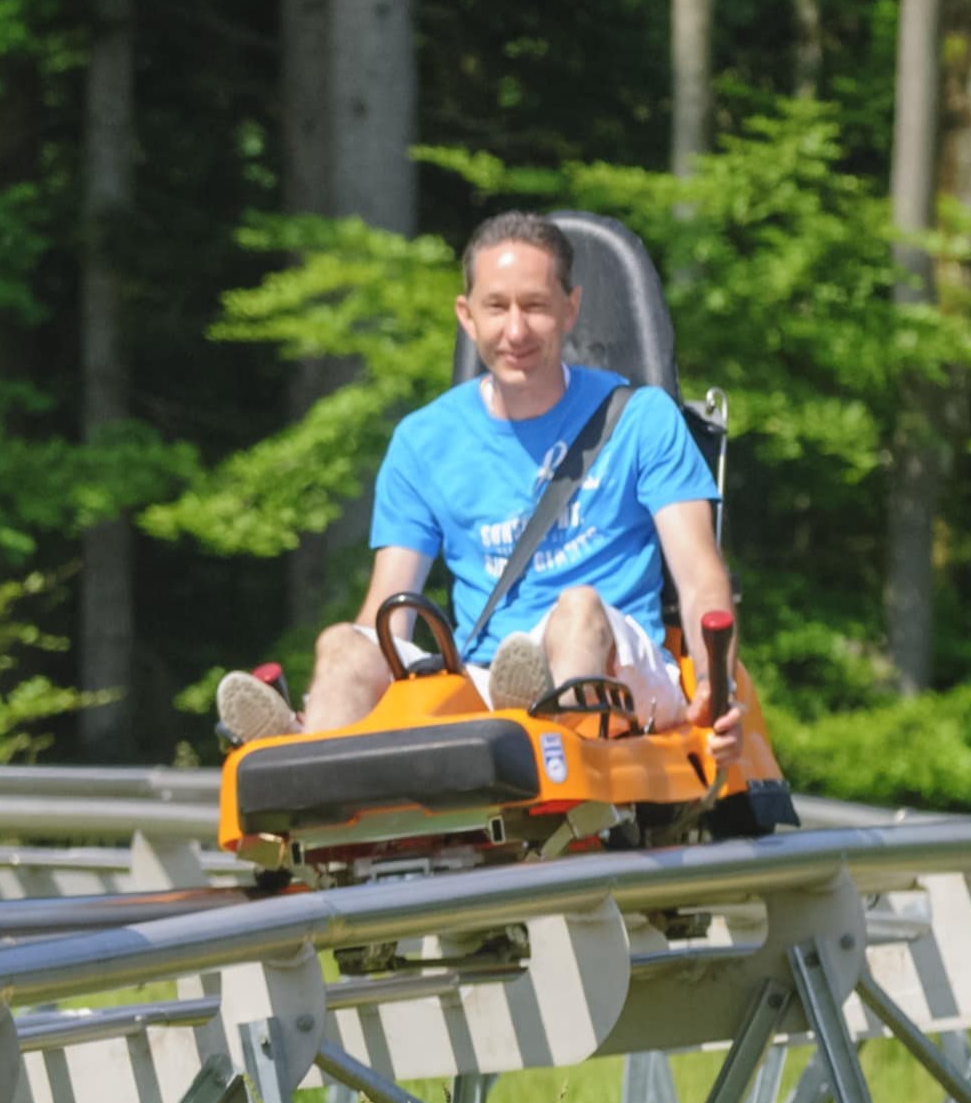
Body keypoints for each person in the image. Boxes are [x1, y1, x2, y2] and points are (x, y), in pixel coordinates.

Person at [219, 210, 758, 756]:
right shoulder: (422, 441)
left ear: (570, 309)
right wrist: (350, 676)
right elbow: (389, 613)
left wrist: (719, 689)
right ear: (467, 316)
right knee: (341, 646)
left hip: (624, 667)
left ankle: (546, 748)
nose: (516, 330)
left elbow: (700, 580)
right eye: (497, 307)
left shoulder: (644, 418)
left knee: (576, 612)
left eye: (536, 306)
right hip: (480, 677)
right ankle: (306, 760)